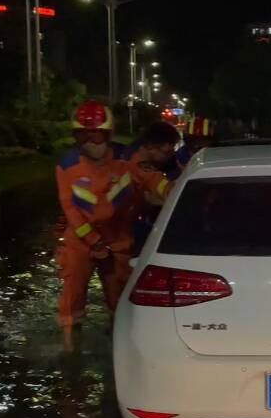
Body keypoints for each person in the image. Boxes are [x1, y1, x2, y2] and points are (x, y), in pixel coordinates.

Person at [56, 101, 169, 345]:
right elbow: (71, 209)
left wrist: (174, 192)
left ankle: (119, 343)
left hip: (118, 238)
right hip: (82, 240)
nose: (91, 142)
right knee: (72, 296)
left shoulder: (126, 157)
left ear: (108, 135)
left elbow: (153, 179)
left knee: (120, 297)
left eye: (97, 136)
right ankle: (69, 348)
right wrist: (93, 242)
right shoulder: (67, 165)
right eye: (85, 136)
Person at [123, 120, 192, 253]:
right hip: (130, 228)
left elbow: (179, 172)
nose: (171, 154)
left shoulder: (165, 161)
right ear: (151, 146)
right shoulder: (135, 164)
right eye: (167, 152)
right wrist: (173, 194)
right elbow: (157, 184)